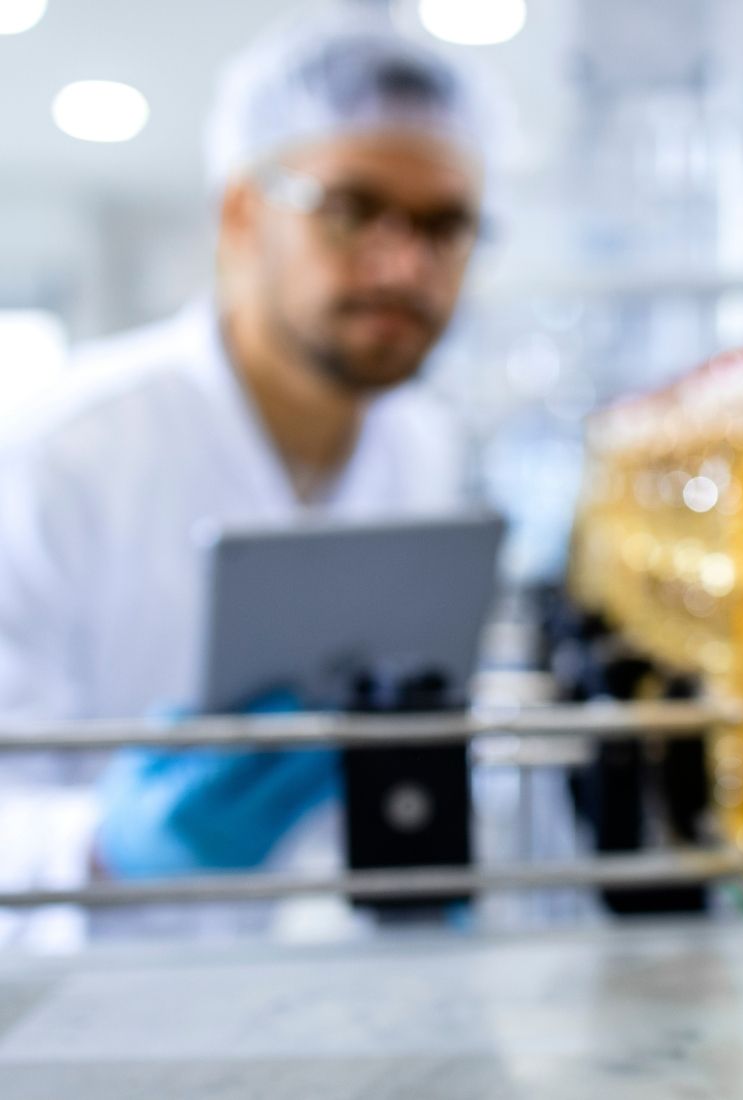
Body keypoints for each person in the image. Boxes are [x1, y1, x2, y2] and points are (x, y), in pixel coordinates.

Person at [0, 3, 489, 879]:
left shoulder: (422, 446)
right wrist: (101, 842)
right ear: (240, 215)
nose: (403, 266)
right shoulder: (54, 457)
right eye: (352, 209)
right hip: (77, 997)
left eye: (443, 227)